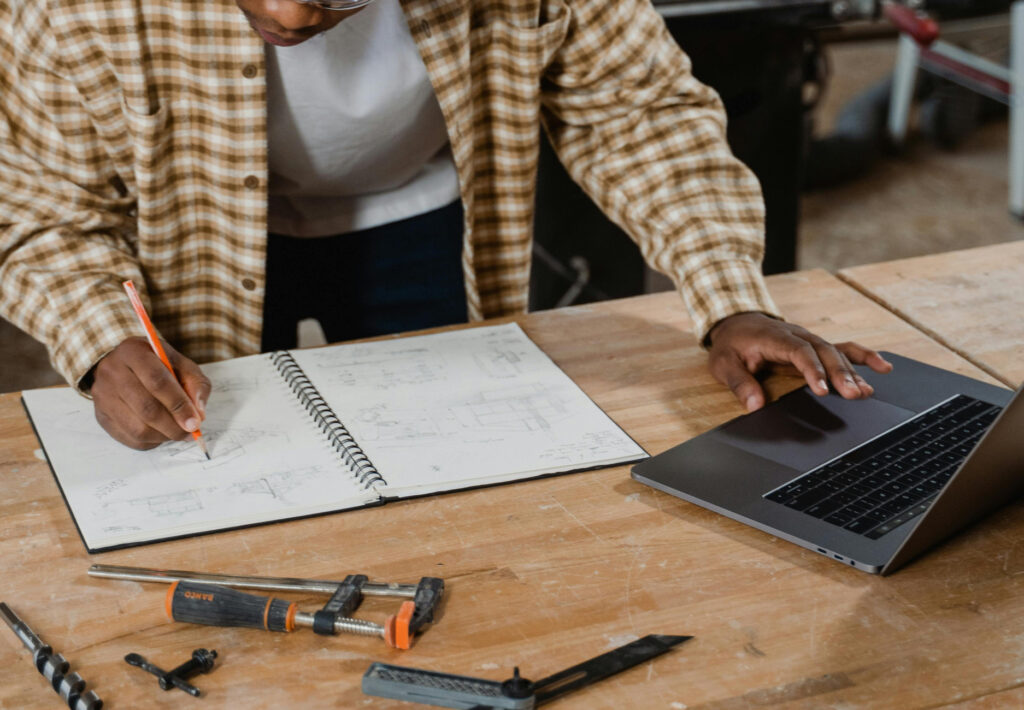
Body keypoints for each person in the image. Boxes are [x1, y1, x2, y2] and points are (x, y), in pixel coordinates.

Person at [0, 0, 891, 450]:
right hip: (182, 247)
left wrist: (728, 297)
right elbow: (37, 201)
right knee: (218, 487)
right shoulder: (68, 8)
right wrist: (101, 340)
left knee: (442, 473)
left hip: (421, 210)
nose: (291, 13)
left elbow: (636, 108)